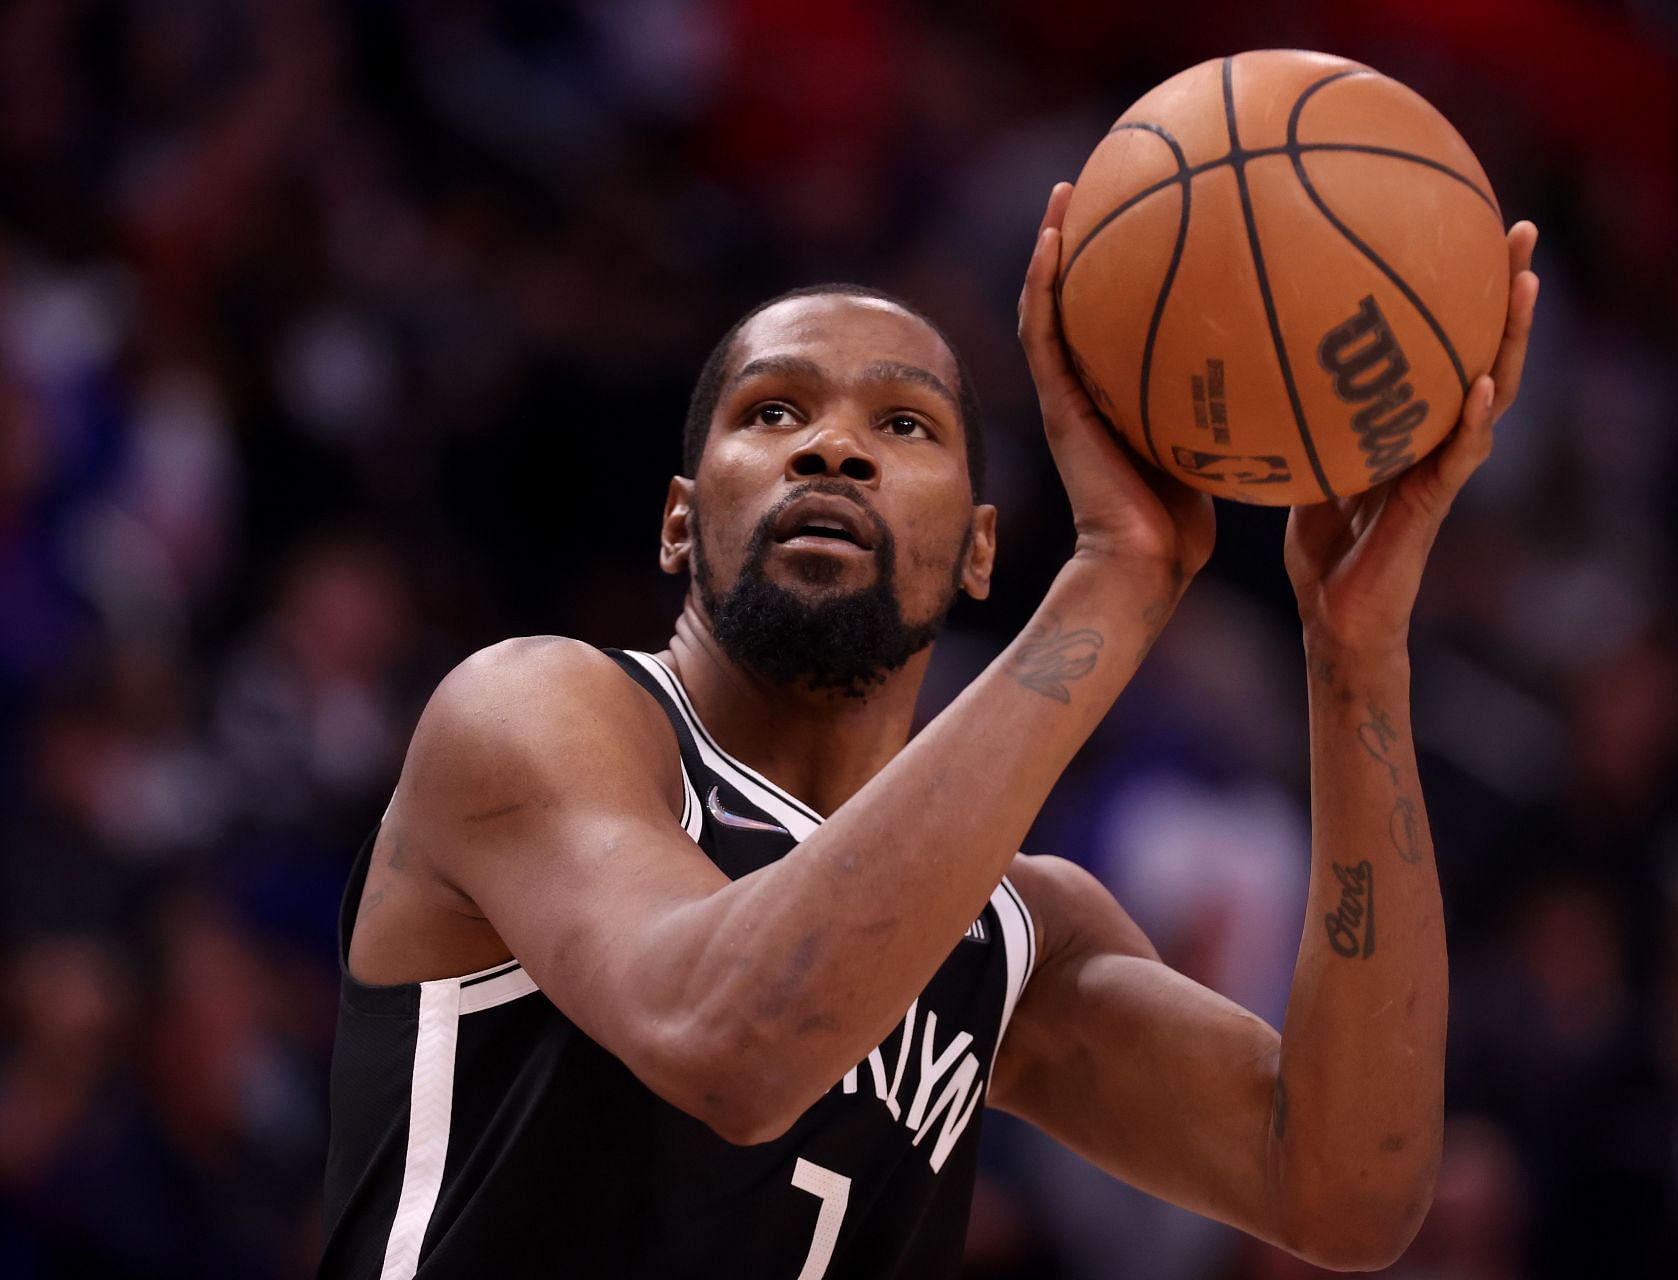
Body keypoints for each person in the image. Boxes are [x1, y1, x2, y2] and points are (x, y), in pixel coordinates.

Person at [316, 182, 1540, 1278]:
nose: (833, 445)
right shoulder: (539, 710)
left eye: (904, 426)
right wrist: (1118, 577)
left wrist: (1357, 656)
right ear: (681, 521)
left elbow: (1344, 1192)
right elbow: (728, 1039)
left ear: (980, 549)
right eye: (773, 410)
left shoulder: (1017, 932)